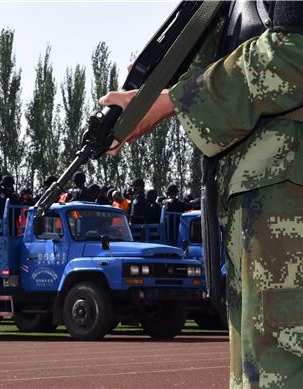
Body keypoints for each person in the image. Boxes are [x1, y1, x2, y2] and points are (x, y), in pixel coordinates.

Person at [98, 2, 302, 385]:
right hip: (263, 192)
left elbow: (294, 50)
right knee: (261, 360)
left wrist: (171, 101)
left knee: (282, 352)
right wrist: (155, 92)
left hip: (286, 193)